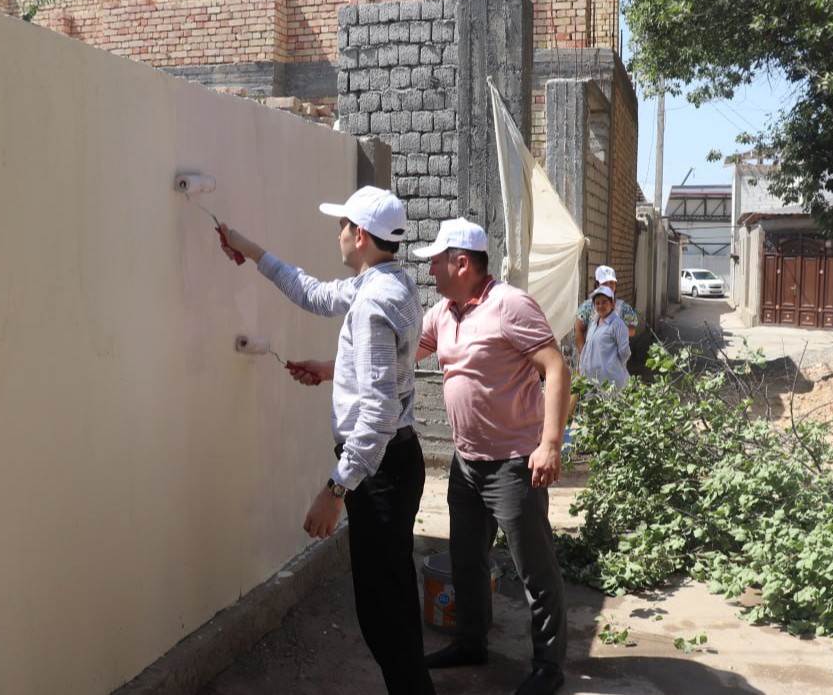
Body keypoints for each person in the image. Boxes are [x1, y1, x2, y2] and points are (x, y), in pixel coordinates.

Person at [217, 186, 434, 695]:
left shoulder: (374, 302)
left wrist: (335, 489)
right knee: (393, 608)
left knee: (385, 618)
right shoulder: (390, 283)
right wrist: (250, 250)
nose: (337, 233)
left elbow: (378, 413)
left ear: (361, 235)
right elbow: (312, 293)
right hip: (395, 463)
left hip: (380, 472)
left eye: (342, 226)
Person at [413, 218, 570, 695]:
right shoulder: (442, 313)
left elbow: (556, 367)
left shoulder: (510, 305)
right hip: (466, 463)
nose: (430, 269)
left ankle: (548, 667)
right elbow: (402, 354)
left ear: (461, 263)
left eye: (436, 261)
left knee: (535, 571)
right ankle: (470, 642)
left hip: (514, 464)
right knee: (466, 561)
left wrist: (550, 443)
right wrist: (333, 368)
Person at [575, 265, 639, 356]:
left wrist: (617, 329)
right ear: (597, 284)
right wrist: (583, 356)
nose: (609, 286)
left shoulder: (624, 308)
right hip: (592, 358)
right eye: (605, 283)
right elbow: (579, 330)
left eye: (612, 283)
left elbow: (633, 330)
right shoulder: (587, 307)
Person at [577, 285, 631, 391]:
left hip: (610, 382)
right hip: (593, 382)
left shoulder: (617, 325)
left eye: (604, 302)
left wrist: (611, 366)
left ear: (612, 304)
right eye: (597, 303)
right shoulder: (594, 323)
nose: (600, 306)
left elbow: (625, 353)